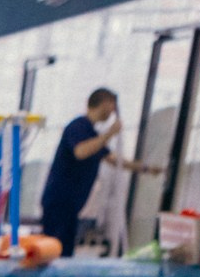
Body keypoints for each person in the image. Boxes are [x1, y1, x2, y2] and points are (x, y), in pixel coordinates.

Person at [38, 89, 160, 257]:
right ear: (105, 103)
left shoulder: (92, 133)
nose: (113, 111)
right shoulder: (78, 126)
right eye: (112, 106)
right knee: (55, 250)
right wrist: (109, 133)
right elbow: (81, 151)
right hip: (59, 201)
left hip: (71, 205)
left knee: (65, 250)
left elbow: (113, 159)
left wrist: (145, 168)